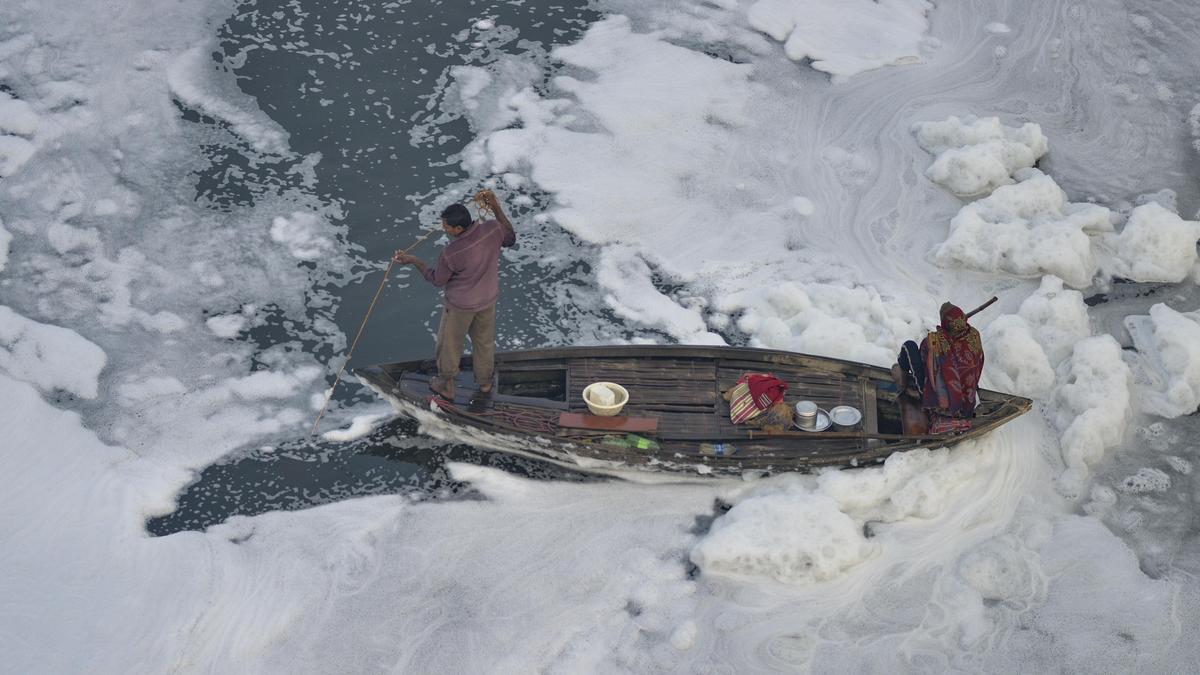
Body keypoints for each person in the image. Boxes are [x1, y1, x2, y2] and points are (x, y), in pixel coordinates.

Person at [392, 190, 516, 400]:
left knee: (449, 345)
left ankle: (446, 385)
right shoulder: (493, 229)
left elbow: (437, 280)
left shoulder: (452, 252)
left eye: (447, 226)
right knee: (484, 343)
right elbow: (510, 238)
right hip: (487, 300)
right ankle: (485, 383)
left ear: (458, 228)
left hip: (461, 307)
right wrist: (494, 205)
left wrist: (414, 261)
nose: (444, 228)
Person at [892, 302, 985, 434]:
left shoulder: (934, 342)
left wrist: (934, 343)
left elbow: (924, 357)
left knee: (909, 346)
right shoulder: (975, 335)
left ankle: (904, 382)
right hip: (968, 399)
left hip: (941, 403)